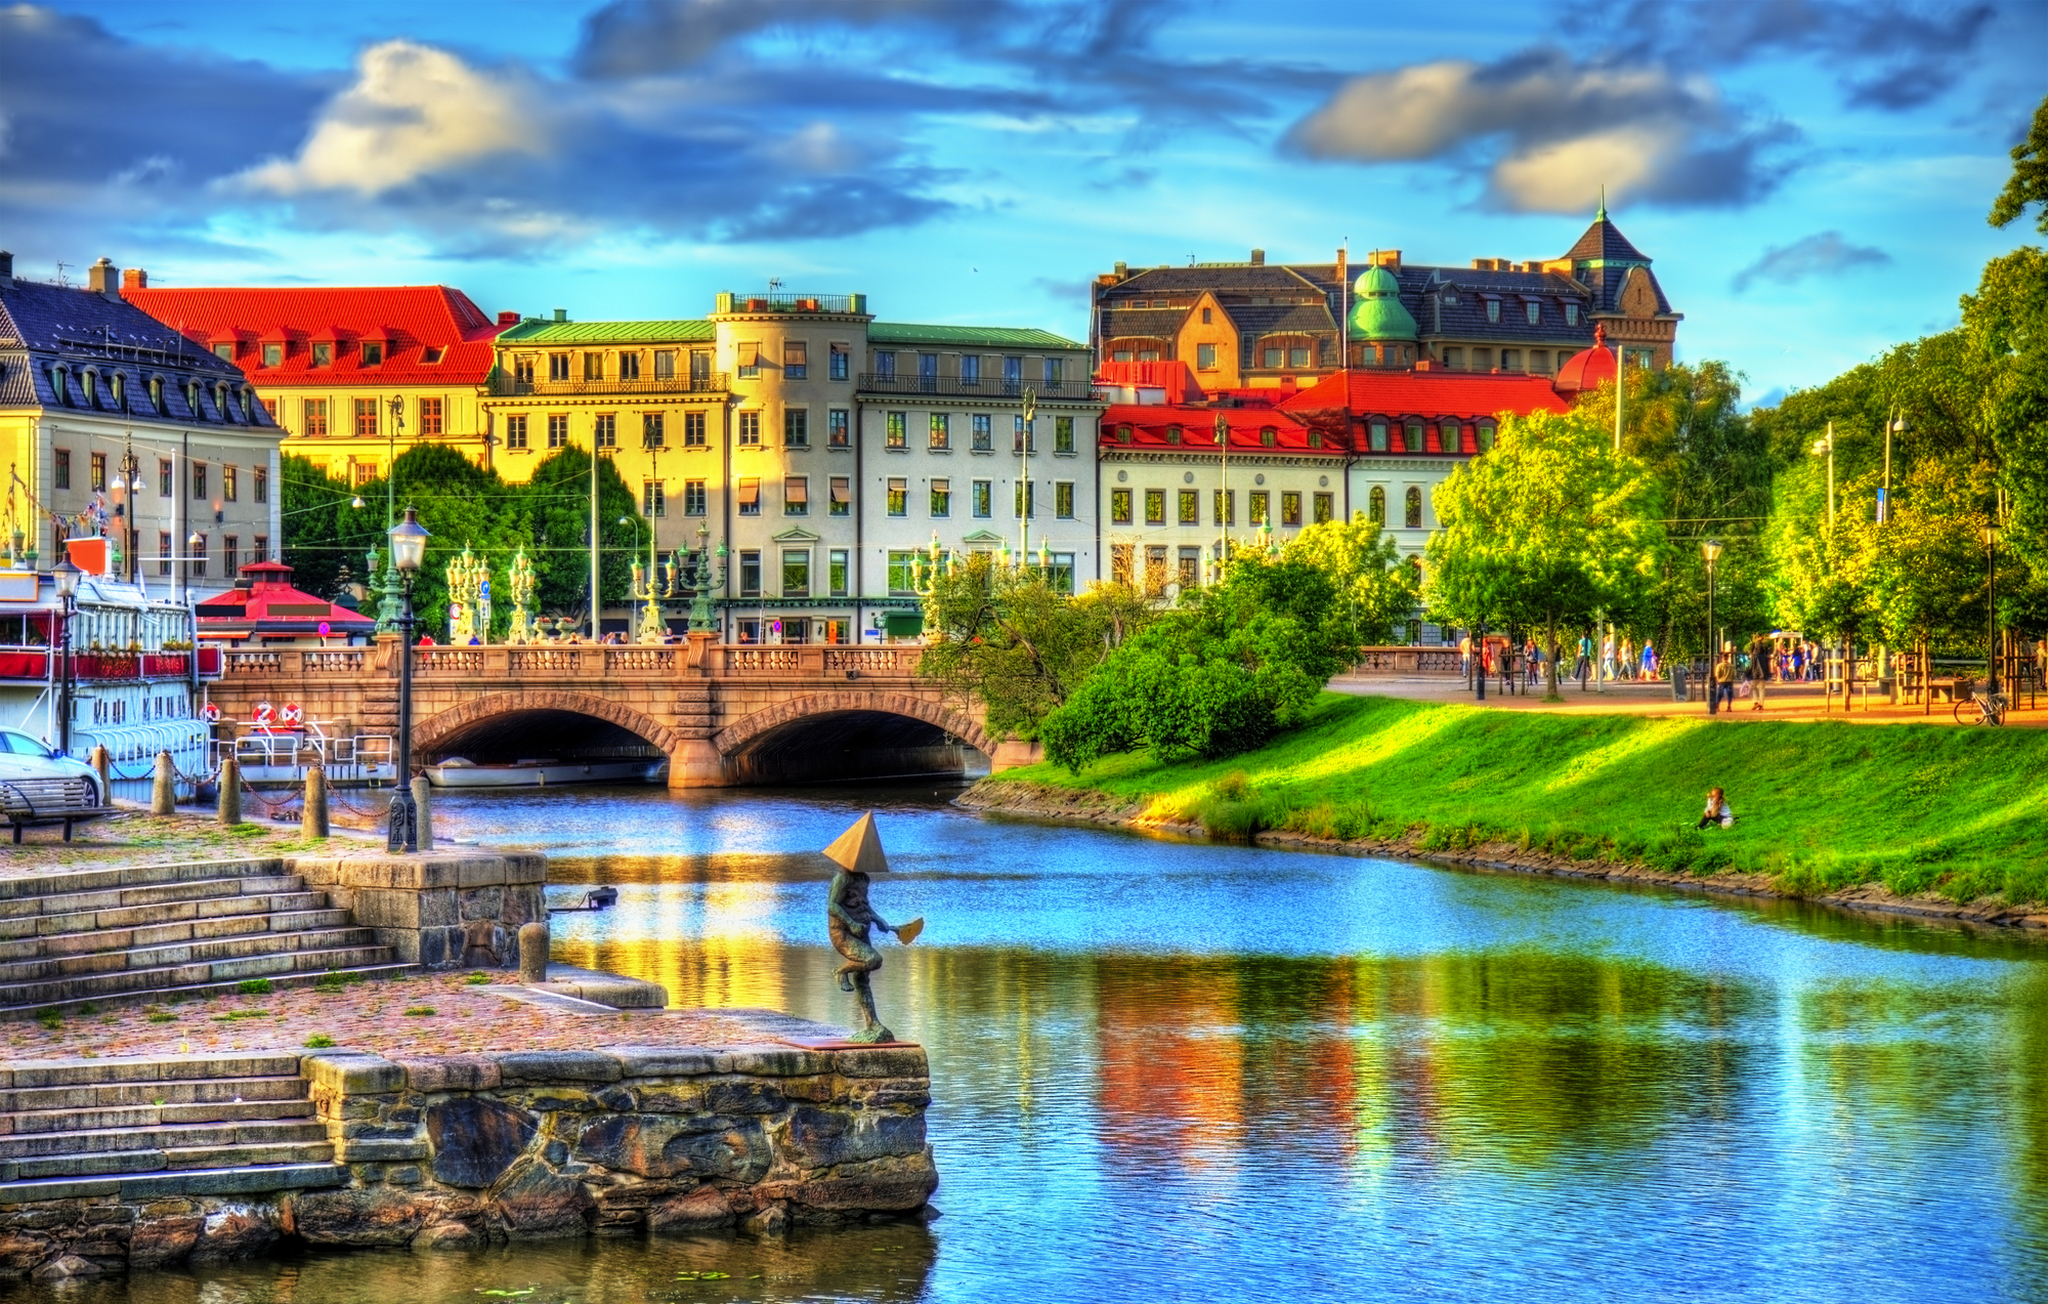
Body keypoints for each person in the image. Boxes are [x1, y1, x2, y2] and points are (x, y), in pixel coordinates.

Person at [1746, 633, 1771, 711]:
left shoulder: (1754, 656)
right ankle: (1761, 704)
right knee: (1762, 689)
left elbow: (1750, 666)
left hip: (1755, 674)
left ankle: (1755, 702)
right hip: (1763, 675)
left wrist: (1747, 673)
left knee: (1752, 687)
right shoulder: (1765, 656)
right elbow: (1768, 666)